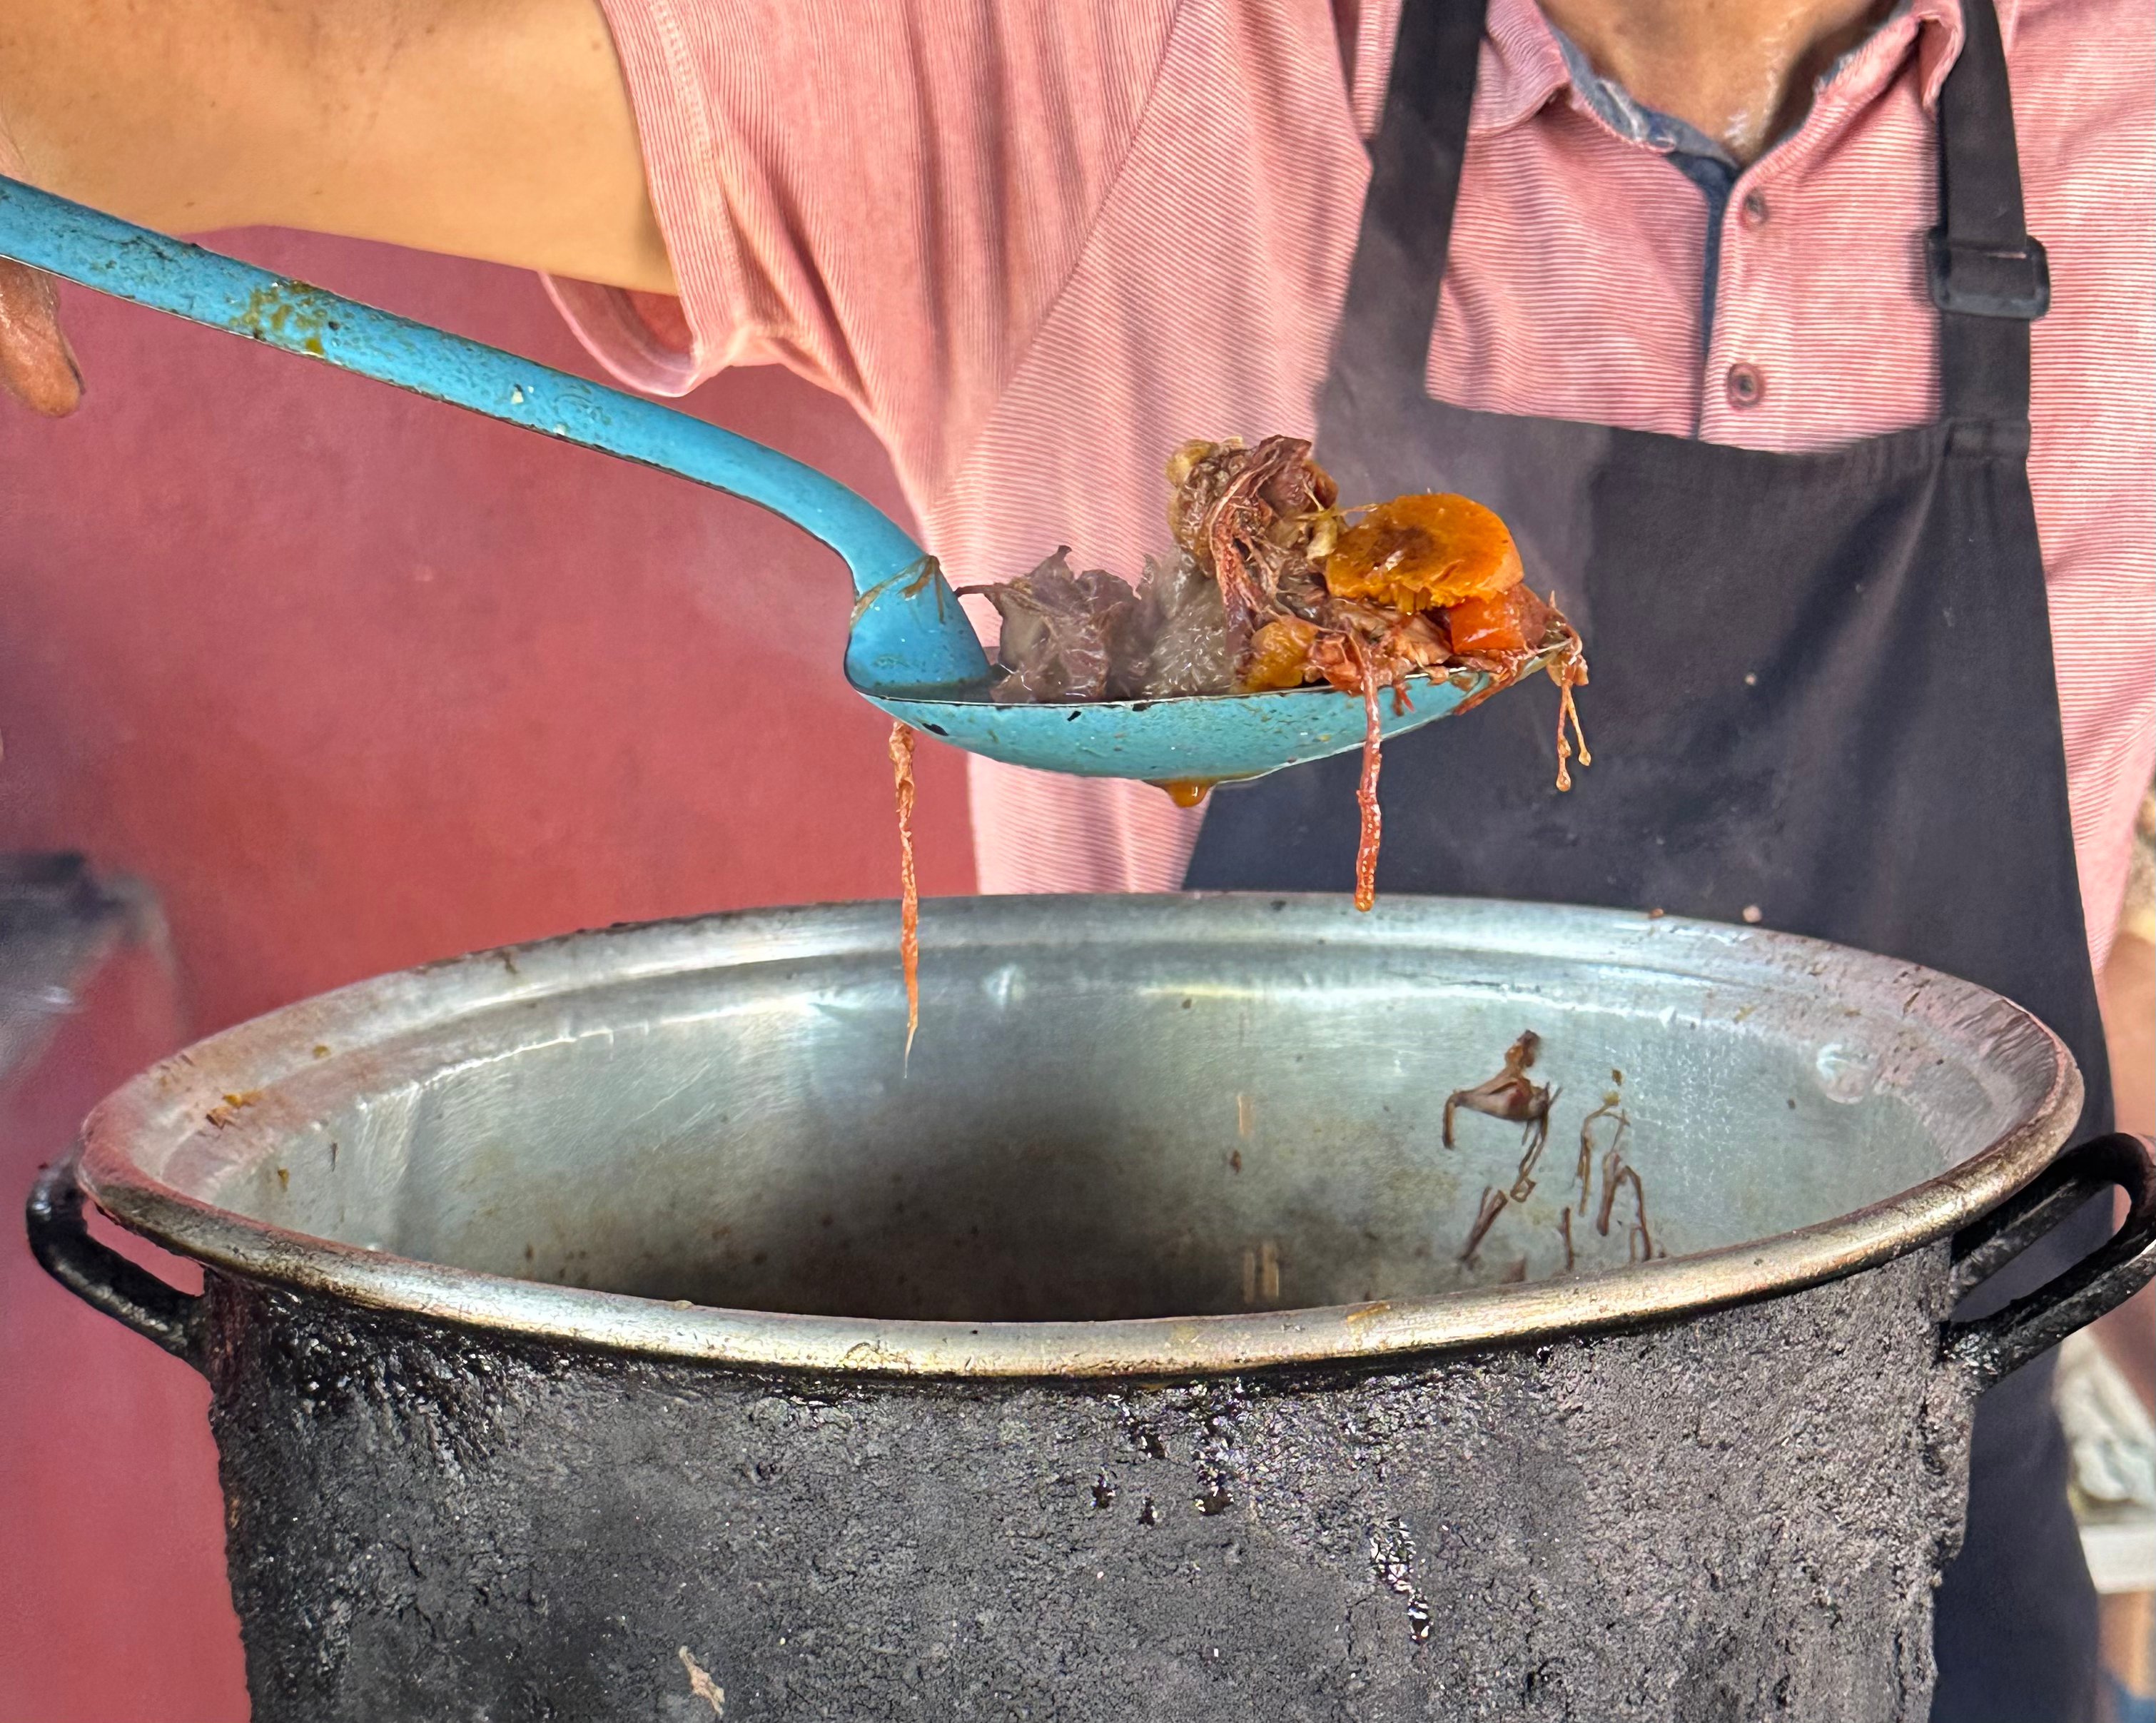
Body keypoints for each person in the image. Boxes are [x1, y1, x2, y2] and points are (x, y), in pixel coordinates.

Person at [2, 0, 2149, 1713]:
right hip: (1117, 1604)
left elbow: (2115, 928)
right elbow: (239, 66)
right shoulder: (1082, 61)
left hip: (1874, 1589)